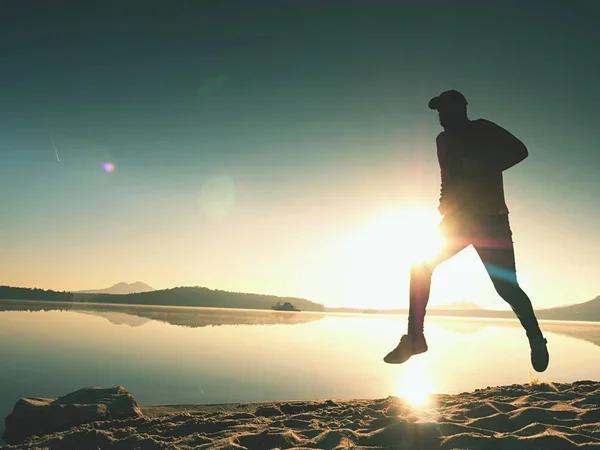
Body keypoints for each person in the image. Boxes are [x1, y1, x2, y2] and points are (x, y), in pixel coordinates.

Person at [383, 90, 549, 373]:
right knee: (420, 265)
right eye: (438, 114)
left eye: (444, 112)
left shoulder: (483, 128)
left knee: (506, 287)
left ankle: (536, 337)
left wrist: (483, 165)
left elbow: (520, 151)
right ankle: (415, 339)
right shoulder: (442, 141)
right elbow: (447, 176)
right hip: (457, 221)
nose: (440, 119)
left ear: (460, 109)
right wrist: (443, 201)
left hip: (490, 220)